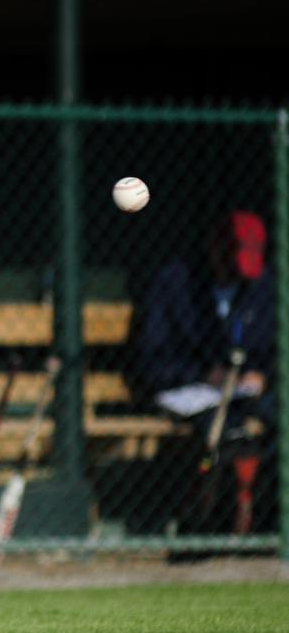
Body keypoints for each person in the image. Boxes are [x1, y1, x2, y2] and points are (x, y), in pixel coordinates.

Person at [133, 209, 274, 535]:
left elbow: (270, 349)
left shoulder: (261, 286)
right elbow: (151, 361)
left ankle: (266, 518)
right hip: (189, 391)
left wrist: (263, 375)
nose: (236, 274)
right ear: (213, 248)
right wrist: (203, 374)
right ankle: (213, 524)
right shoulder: (175, 284)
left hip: (245, 393)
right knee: (227, 431)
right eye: (230, 262)